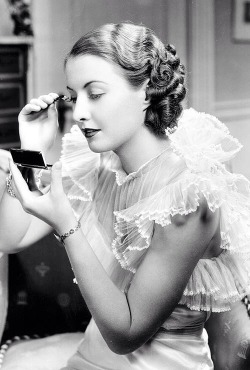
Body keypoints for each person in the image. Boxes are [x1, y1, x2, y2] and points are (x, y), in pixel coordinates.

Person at [0, 21, 249, 370]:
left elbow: (126, 334)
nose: (80, 112)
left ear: (146, 91)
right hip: (90, 357)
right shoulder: (97, 166)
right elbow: (11, 238)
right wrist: (29, 153)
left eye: (96, 93)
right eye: (74, 96)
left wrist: (68, 225)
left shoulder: (188, 195)